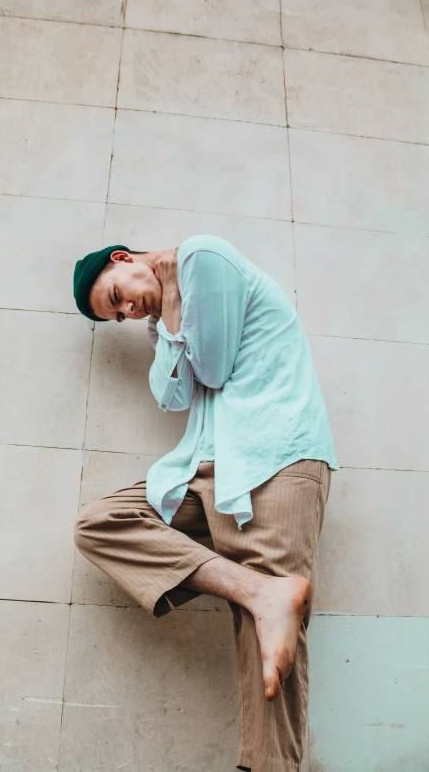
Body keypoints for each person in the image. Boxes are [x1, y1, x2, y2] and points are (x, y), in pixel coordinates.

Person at [72, 234, 338, 772]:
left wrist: (172, 307)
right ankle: (259, 590)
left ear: (122, 260)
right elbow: (172, 397)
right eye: (118, 315)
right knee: (102, 524)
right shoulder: (164, 315)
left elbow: (211, 371)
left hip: (274, 456)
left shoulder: (203, 257)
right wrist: (167, 312)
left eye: (118, 296)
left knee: (268, 641)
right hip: (209, 467)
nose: (128, 310)